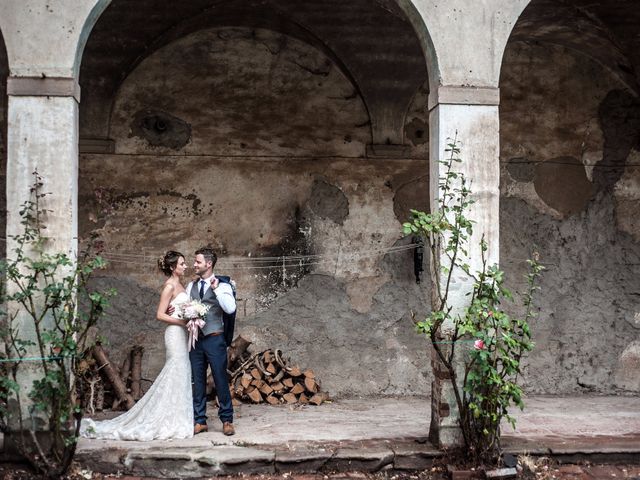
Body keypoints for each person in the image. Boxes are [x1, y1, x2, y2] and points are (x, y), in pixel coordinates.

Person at [80, 251, 193, 441]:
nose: (185, 266)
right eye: (182, 264)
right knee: (175, 370)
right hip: (174, 333)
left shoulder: (181, 285)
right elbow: (160, 314)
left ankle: (177, 416)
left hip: (182, 334)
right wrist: (182, 322)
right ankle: (163, 418)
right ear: (173, 267)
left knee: (182, 371)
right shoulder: (169, 286)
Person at [187, 246, 237, 436]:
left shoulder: (223, 285)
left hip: (215, 339)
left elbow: (230, 309)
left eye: (198, 261)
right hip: (195, 340)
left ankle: (227, 420)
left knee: (220, 379)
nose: (194, 265)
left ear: (209, 264)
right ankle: (200, 421)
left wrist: (216, 289)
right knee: (197, 381)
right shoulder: (191, 286)